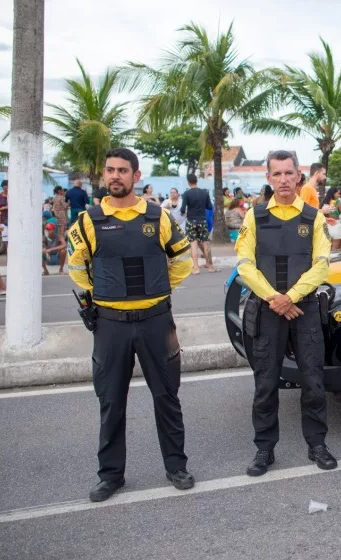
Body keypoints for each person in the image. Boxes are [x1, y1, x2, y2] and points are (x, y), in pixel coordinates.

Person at [67, 148, 195, 502]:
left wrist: (157, 287)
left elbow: (183, 261)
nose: (115, 176)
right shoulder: (87, 220)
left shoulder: (159, 216)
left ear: (136, 176)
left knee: (166, 397)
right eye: (110, 170)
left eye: (123, 170)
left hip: (156, 321)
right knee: (111, 401)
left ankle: (176, 467)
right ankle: (110, 475)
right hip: (111, 326)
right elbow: (76, 268)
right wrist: (105, 294)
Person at [235, 149, 337, 474]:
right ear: (268, 177)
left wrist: (290, 297)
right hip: (268, 311)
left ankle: (317, 445)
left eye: (288, 173)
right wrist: (274, 299)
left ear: (298, 176)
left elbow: (322, 265)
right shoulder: (255, 217)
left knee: (313, 381)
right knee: (265, 383)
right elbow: (244, 265)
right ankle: (265, 450)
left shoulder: (313, 217)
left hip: (304, 309)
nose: (283, 179)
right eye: (276, 174)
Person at [180, 173, 216, 274]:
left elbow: (183, 209)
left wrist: (183, 212)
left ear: (188, 182)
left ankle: (195, 268)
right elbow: (209, 206)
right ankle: (210, 266)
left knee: (193, 243)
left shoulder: (186, 194)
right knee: (205, 242)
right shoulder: (204, 192)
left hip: (191, 220)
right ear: (197, 181)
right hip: (202, 220)